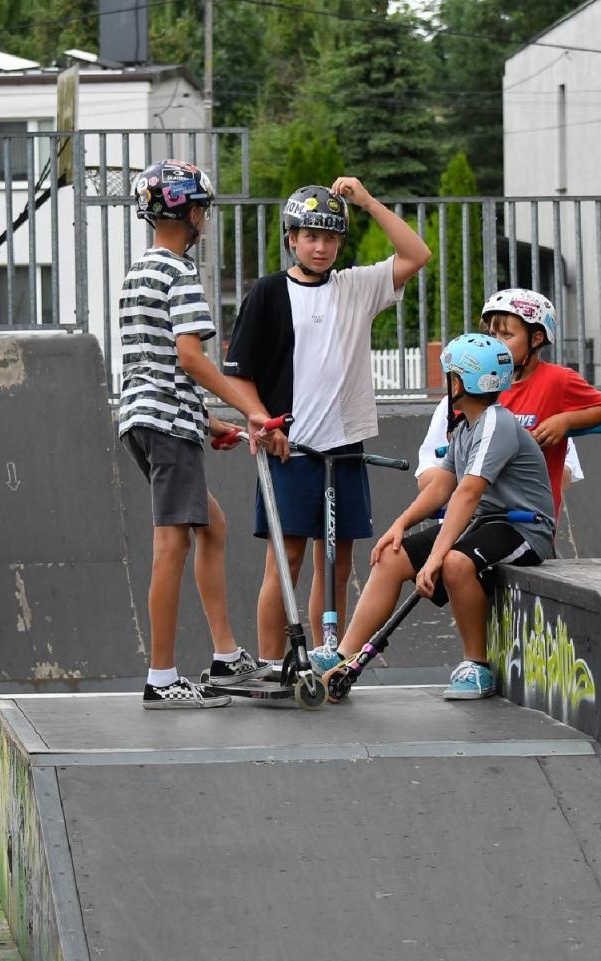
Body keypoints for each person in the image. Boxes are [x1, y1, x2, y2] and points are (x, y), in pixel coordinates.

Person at [224, 177, 430, 674]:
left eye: (330, 237)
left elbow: (416, 253)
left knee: (337, 563)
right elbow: (238, 375)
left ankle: (326, 658)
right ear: (291, 239)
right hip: (289, 450)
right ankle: (272, 666)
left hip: (346, 448)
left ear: (340, 243)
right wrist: (263, 424)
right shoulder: (269, 292)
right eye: (310, 236)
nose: (320, 246)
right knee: (285, 561)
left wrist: (366, 202)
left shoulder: (356, 286)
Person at [116, 159, 274, 709]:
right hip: (166, 423)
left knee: (212, 526)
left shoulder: (138, 273)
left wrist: (211, 423)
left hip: (146, 418)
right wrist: (251, 409)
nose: (206, 217)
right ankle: (162, 679)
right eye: (203, 207)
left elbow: (151, 365)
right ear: (189, 212)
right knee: (170, 546)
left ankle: (227, 656)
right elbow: (190, 358)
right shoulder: (180, 275)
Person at [328, 334, 555, 700]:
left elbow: (468, 493)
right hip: (484, 522)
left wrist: (433, 560)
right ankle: (341, 658)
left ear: (460, 382)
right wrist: (399, 526)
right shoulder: (465, 427)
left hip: (523, 526)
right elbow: (441, 487)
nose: (445, 382)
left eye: (449, 375)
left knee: (454, 563)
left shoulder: (497, 424)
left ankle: (476, 665)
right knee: (391, 556)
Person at [412, 289, 601, 514]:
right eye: (492, 335)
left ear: (536, 338)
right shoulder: (464, 392)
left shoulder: (557, 382)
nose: (496, 344)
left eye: (506, 335)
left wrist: (564, 421)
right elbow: (427, 477)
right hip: (468, 513)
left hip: (522, 521)